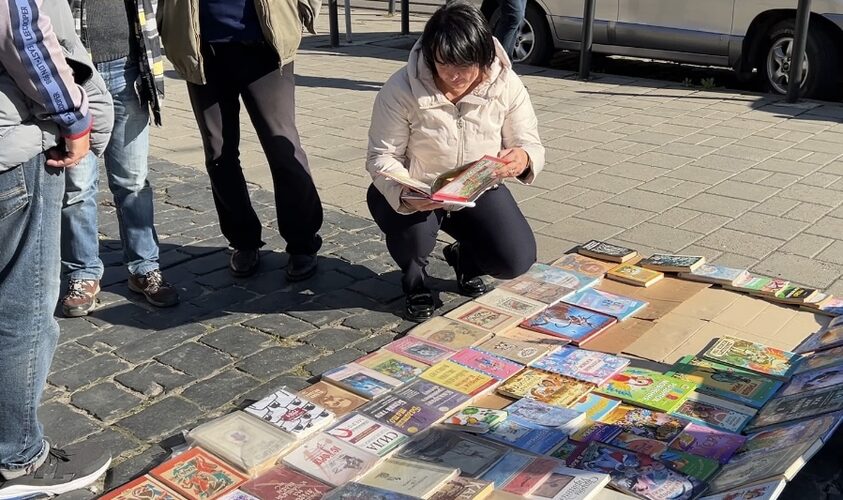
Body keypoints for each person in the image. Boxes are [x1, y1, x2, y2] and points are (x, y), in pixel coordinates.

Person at [366, 1, 544, 321]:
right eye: (444, 64)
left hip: (476, 189)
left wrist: (523, 158)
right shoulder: (401, 88)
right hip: (418, 189)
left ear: (484, 56)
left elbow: (528, 141)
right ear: (430, 54)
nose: (455, 75)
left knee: (516, 258)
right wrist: (404, 193)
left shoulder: (506, 84)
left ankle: (465, 259)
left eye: (465, 65)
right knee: (414, 237)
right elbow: (382, 156)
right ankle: (416, 282)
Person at [0, 0, 113, 496]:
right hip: (12, 145)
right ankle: (18, 459)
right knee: (22, 309)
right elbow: (20, 30)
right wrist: (74, 118)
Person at [156, 0, 324, 281]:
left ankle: (302, 241)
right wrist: (167, 22)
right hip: (200, 48)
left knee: (282, 147)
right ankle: (243, 240)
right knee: (218, 152)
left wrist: (301, 8)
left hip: (265, 45)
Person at [59, 0, 178, 317]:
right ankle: (83, 273)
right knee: (77, 186)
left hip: (127, 67)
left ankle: (144, 267)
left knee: (133, 181)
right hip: (73, 70)